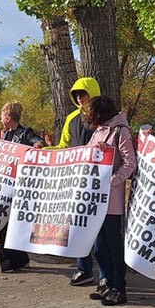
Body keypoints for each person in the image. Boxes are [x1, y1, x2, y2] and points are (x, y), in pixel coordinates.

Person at [45, 77, 105, 286]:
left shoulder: (105, 117)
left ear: (93, 93)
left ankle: (106, 275)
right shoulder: (71, 119)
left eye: (83, 93)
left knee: (99, 231)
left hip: (99, 182)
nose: (79, 97)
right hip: (76, 183)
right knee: (77, 226)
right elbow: (64, 146)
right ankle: (84, 269)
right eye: (76, 94)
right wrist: (43, 152)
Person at [0, 101, 45, 272]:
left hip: (20, 188)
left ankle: (13, 261)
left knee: (14, 225)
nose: (0, 120)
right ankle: (15, 260)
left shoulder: (25, 133)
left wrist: (37, 144)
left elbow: (37, 140)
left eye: (2, 117)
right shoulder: (5, 135)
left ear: (8, 117)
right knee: (6, 225)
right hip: (6, 187)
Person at [84, 96, 137, 306]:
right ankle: (105, 281)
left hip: (111, 201)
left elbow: (130, 163)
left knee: (114, 245)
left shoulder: (120, 131)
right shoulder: (99, 130)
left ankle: (119, 287)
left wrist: (112, 181)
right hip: (94, 199)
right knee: (99, 247)